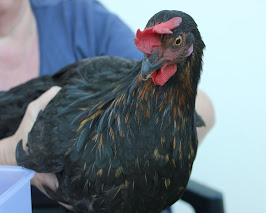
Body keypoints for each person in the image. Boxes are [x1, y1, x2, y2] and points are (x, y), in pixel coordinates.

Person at [0, 0, 215, 211]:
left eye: (176, 43)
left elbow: (204, 108)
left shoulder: (81, 16)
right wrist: (11, 153)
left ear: (191, 47)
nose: (151, 59)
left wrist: (159, 151)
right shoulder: (60, 125)